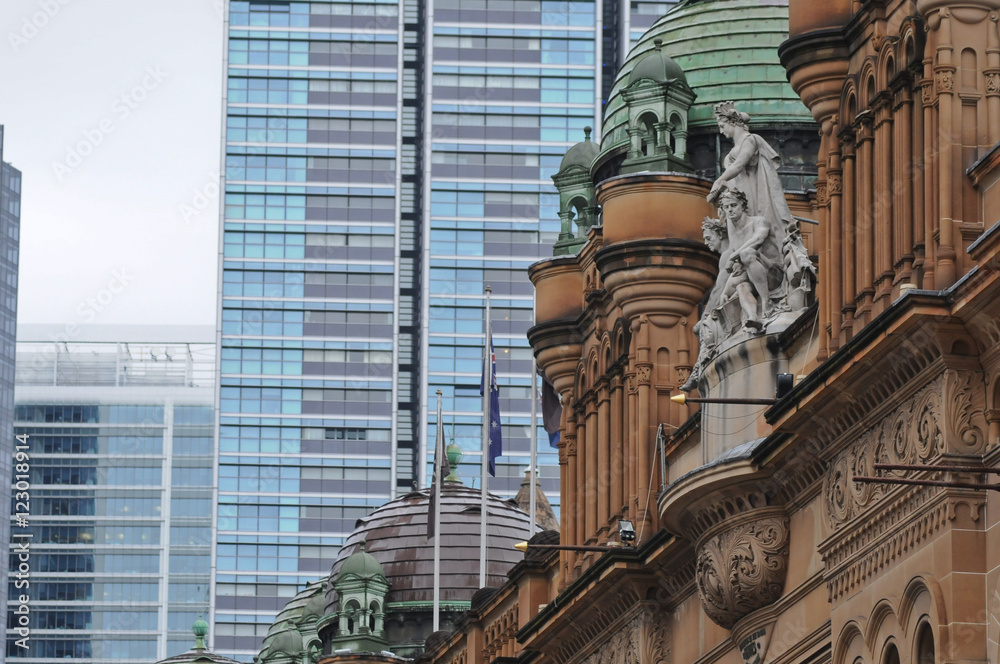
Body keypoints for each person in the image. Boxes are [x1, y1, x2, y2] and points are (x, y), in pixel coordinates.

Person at [708, 101, 795, 234]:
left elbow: (738, 165)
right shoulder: (736, 147)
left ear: (732, 122)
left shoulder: (750, 140)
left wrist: (718, 181)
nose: (721, 131)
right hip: (738, 193)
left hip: (751, 194)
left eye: (722, 126)